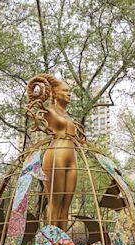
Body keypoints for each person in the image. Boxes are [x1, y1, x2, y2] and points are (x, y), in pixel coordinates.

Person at [26, 74, 84, 231]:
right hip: (56, 154)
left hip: (71, 156)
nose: (69, 94)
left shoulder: (67, 115)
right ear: (55, 93)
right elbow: (32, 107)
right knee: (55, 201)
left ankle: (63, 243)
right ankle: (52, 241)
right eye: (65, 91)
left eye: (69, 91)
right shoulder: (49, 111)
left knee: (66, 203)